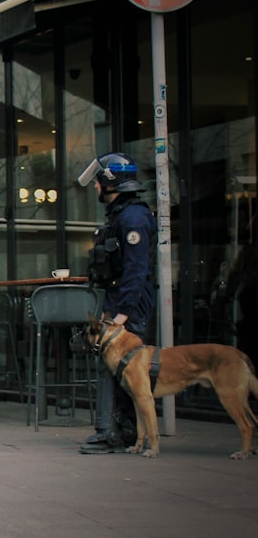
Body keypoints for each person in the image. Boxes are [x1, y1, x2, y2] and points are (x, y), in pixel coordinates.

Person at [77, 152, 157, 454]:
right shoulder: (122, 214)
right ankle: (122, 430)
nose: (96, 187)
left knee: (116, 367)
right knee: (117, 368)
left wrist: (122, 313)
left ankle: (109, 431)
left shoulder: (132, 217)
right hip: (118, 298)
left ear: (111, 183)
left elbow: (136, 270)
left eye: (99, 182)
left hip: (128, 303)